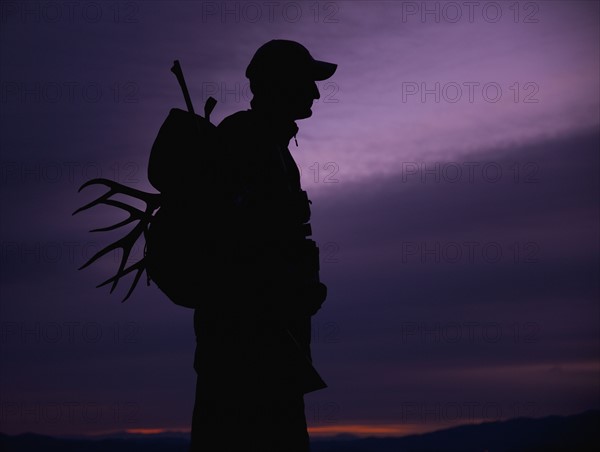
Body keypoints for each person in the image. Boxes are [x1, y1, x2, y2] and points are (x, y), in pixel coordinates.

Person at [187, 40, 337, 452]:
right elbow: (240, 248)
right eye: (307, 82)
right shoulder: (248, 145)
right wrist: (293, 290)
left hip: (264, 352)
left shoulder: (267, 146)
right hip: (248, 356)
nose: (316, 93)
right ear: (280, 85)